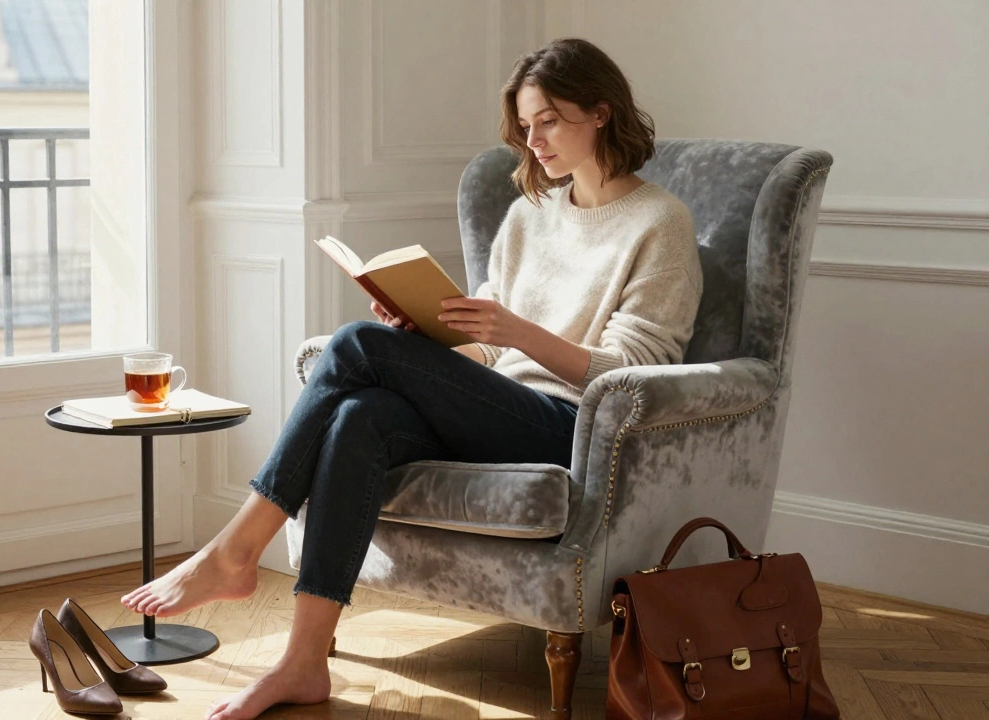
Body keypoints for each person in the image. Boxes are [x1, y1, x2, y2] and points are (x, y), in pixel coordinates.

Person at [121, 37, 703, 720]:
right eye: (524, 124)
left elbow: (636, 377)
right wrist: (424, 340)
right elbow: (485, 359)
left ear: (600, 112)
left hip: (573, 427)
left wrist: (514, 330)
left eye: (548, 120)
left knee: (354, 345)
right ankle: (304, 663)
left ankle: (235, 549)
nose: (533, 139)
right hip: (500, 408)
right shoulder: (529, 216)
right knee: (358, 413)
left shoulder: (659, 222)